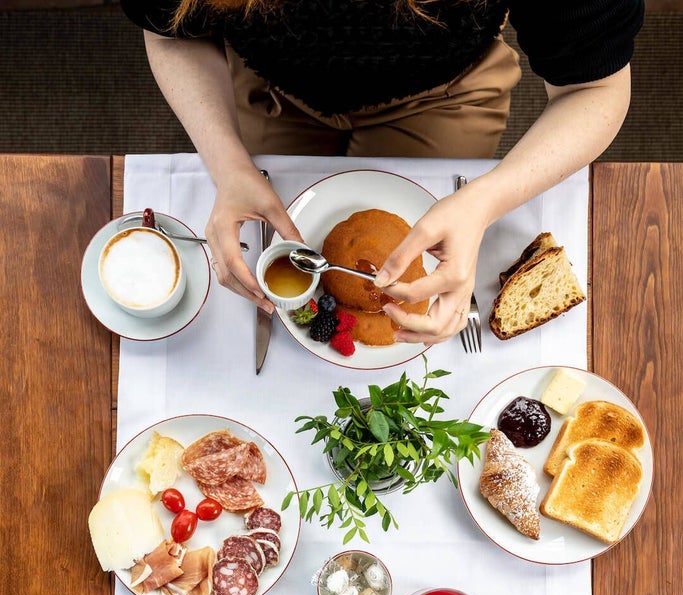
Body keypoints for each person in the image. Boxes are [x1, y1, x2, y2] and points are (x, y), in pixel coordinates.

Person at [120, 0, 644, 345]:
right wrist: (228, 164)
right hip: (267, 86)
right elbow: (171, 33)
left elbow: (595, 91)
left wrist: (484, 202)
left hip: (444, 95)